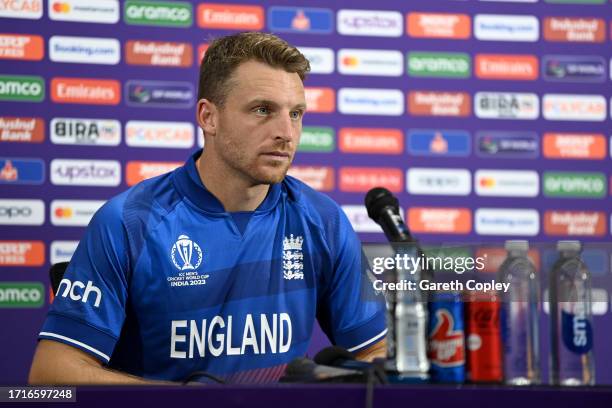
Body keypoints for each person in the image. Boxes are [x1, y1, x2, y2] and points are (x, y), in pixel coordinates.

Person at [29, 32, 386, 385]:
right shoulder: (129, 222)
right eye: (263, 110)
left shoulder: (322, 221)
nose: (286, 132)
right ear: (208, 117)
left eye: (295, 113)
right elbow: (52, 373)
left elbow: (375, 352)